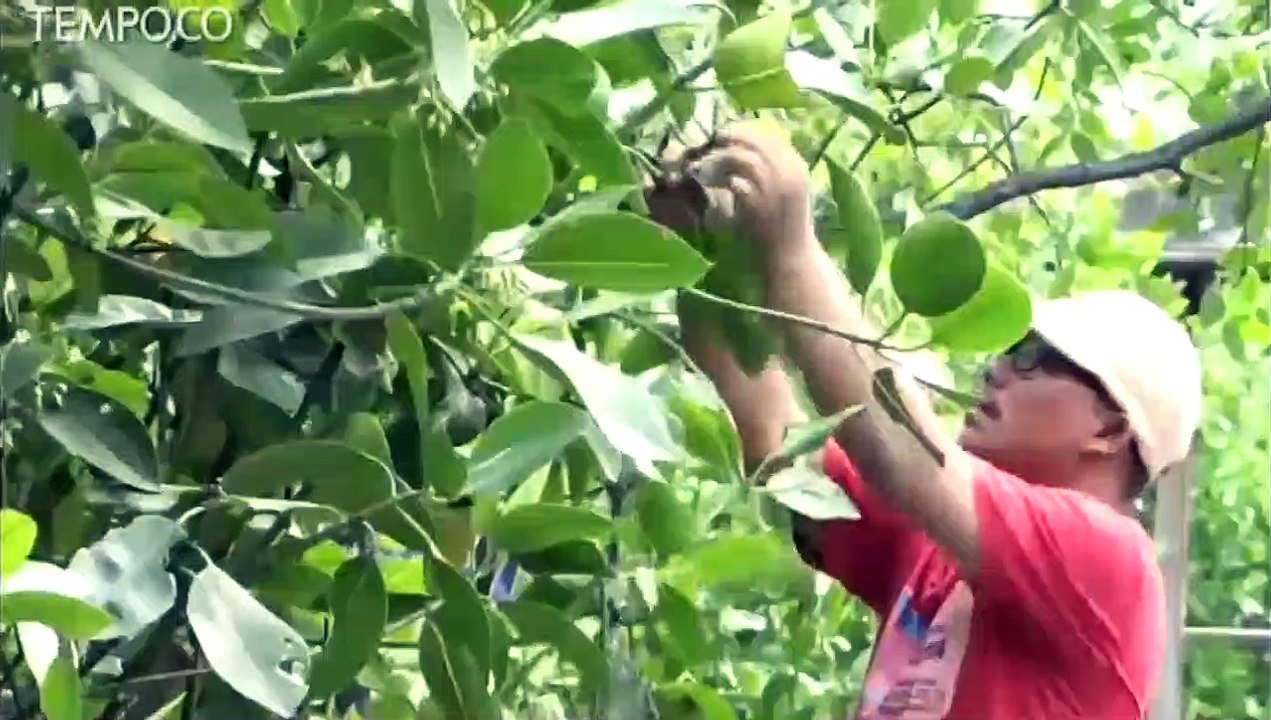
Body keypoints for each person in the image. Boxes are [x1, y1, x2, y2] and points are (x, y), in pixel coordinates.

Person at [657, 122, 1203, 720]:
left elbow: (904, 454)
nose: (997, 371)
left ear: (1109, 431)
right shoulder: (940, 543)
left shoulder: (1109, 559)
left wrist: (790, 249)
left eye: (1033, 360)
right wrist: (697, 255)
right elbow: (786, 458)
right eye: (1005, 351)